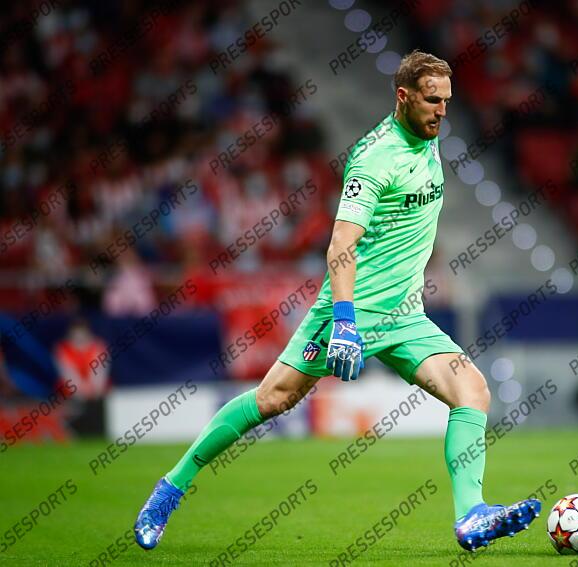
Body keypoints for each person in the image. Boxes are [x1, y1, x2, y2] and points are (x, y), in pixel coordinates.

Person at [133, 50, 540, 552]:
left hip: (406, 317)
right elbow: (341, 246)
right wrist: (345, 320)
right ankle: (171, 486)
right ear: (403, 96)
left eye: (447, 102)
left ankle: (471, 515)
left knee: (472, 392)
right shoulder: (374, 158)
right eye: (432, 101)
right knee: (273, 399)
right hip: (350, 312)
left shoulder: (429, 138)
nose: (441, 112)